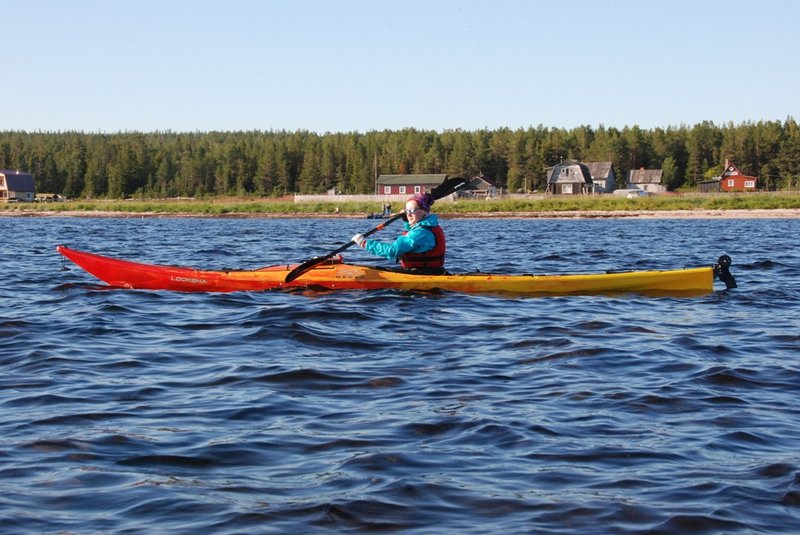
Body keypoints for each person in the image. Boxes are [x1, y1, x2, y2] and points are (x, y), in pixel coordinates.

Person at [351, 192, 446, 273]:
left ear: (425, 211)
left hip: (423, 273)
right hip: (424, 271)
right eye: (406, 211)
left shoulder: (421, 233)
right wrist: (406, 222)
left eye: (413, 211)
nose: (408, 214)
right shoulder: (429, 225)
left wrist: (364, 243)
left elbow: (392, 251)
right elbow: (413, 237)